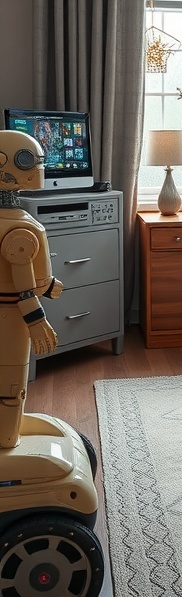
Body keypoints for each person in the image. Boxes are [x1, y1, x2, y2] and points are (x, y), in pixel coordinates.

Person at [0, 130, 63, 448]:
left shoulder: (14, 221)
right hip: (11, 317)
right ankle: (6, 439)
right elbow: (22, 285)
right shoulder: (19, 229)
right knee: (11, 381)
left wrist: (48, 285)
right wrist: (37, 322)